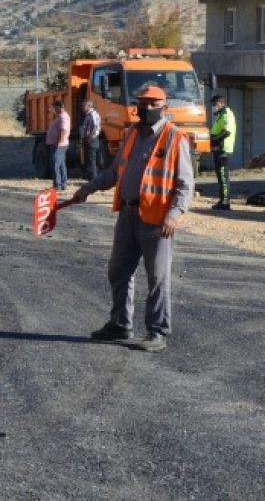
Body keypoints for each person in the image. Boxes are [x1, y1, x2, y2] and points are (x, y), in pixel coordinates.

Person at [71, 84, 194, 353]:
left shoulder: (175, 138)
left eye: (152, 104)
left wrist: (174, 215)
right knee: (118, 271)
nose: (146, 108)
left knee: (157, 277)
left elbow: (186, 185)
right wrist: (87, 189)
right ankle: (119, 324)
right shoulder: (131, 135)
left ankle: (157, 331)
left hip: (157, 220)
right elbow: (115, 172)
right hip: (128, 214)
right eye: (142, 103)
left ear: (164, 107)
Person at [209, 94, 237, 211]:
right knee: (221, 177)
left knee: (223, 177)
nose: (213, 107)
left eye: (215, 105)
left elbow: (227, 132)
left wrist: (215, 139)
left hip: (223, 150)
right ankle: (222, 200)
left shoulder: (226, 114)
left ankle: (225, 202)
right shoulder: (221, 115)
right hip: (218, 150)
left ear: (221, 103)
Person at [47, 99, 71, 191]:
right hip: (60, 144)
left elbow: (63, 130)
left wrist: (59, 143)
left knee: (55, 164)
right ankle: (62, 184)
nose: (53, 109)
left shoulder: (63, 117)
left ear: (59, 107)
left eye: (54, 107)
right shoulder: (61, 116)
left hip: (59, 145)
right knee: (61, 164)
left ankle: (57, 185)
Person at [80, 99, 102, 180]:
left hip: (92, 140)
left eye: (84, 106)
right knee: (89, 160)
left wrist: (90, 138)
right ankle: (90, 178)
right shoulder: (88, 115)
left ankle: (94, 179)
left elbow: (96, 127)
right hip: (89, 140)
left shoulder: (93, 114)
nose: (82, 108)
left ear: (89, 106)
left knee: (92, 160)